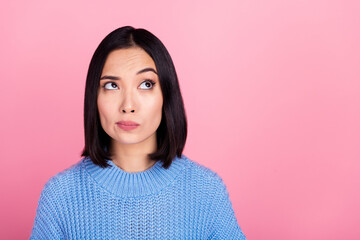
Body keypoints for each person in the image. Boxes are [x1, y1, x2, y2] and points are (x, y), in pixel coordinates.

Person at [30, 26, 246, 239]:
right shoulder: (60, 196)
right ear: (94, 97)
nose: (128, 105)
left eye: (146, 84)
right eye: (112, 86)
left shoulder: (207, 192)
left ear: (166, 96)